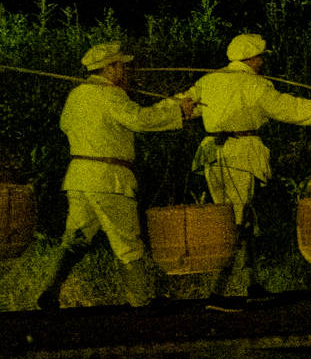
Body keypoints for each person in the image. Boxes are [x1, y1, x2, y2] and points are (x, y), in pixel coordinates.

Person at [179, 33, 311, 309]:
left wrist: (179, 106)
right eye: (261, 57)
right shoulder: (256, 85)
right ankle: (219, 293)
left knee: (238, 216)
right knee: (235, 221)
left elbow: (184, 106)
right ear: (253, 59)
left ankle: (251, 283)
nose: (263, 62)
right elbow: (287, 108)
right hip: (240, 155)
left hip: (212, 154)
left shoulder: (208, 81)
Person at [36, 41, 198, 310]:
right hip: (108, 179)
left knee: (75, 239)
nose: (125, 70)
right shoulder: (111, 96)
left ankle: (49, 291)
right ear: (109, 68)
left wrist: (173, 106)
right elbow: (140, 120)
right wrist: (177, 110)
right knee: (127, 241)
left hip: (78, 177)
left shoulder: (76, 95)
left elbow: (66, 125)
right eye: (121, 65)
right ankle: (141, 301)